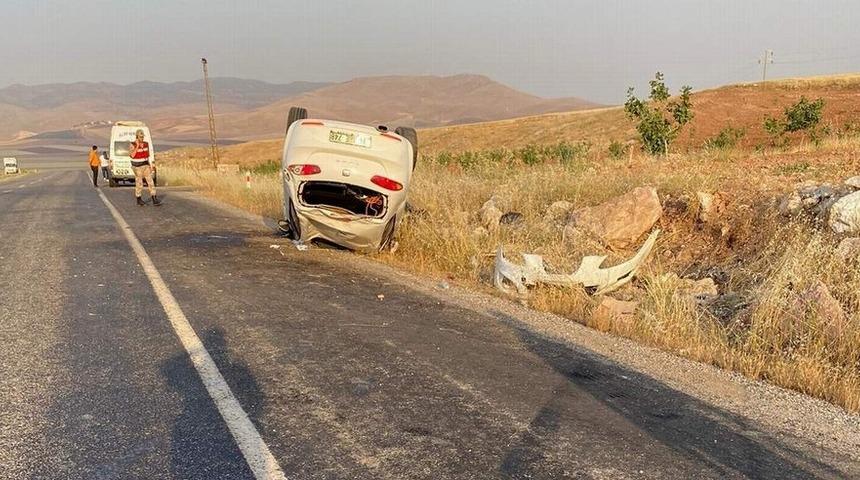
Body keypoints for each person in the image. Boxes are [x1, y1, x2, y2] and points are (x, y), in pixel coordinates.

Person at [129, 129, 161, 206]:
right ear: (137, 137)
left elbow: (147, 155)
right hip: (137, 167)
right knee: (139, 183)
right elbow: (132, 155)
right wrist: (137, 146)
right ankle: (138, 198)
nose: (142, 138)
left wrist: (150, 165)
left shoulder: (146, 144)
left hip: (145, 165)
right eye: (140, 137)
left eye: (142, 137)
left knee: (150, 182)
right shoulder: (132, 144)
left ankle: (154, 198)